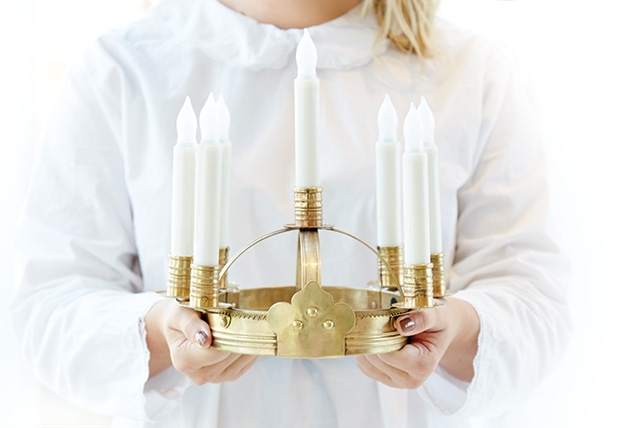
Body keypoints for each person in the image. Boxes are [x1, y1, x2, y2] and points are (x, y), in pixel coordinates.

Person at [11, 0, 571, 426]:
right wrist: (162, 331)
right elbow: (51, 303)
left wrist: (461, 327)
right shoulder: (127, 70)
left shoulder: (469, 73)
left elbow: (531, 293)